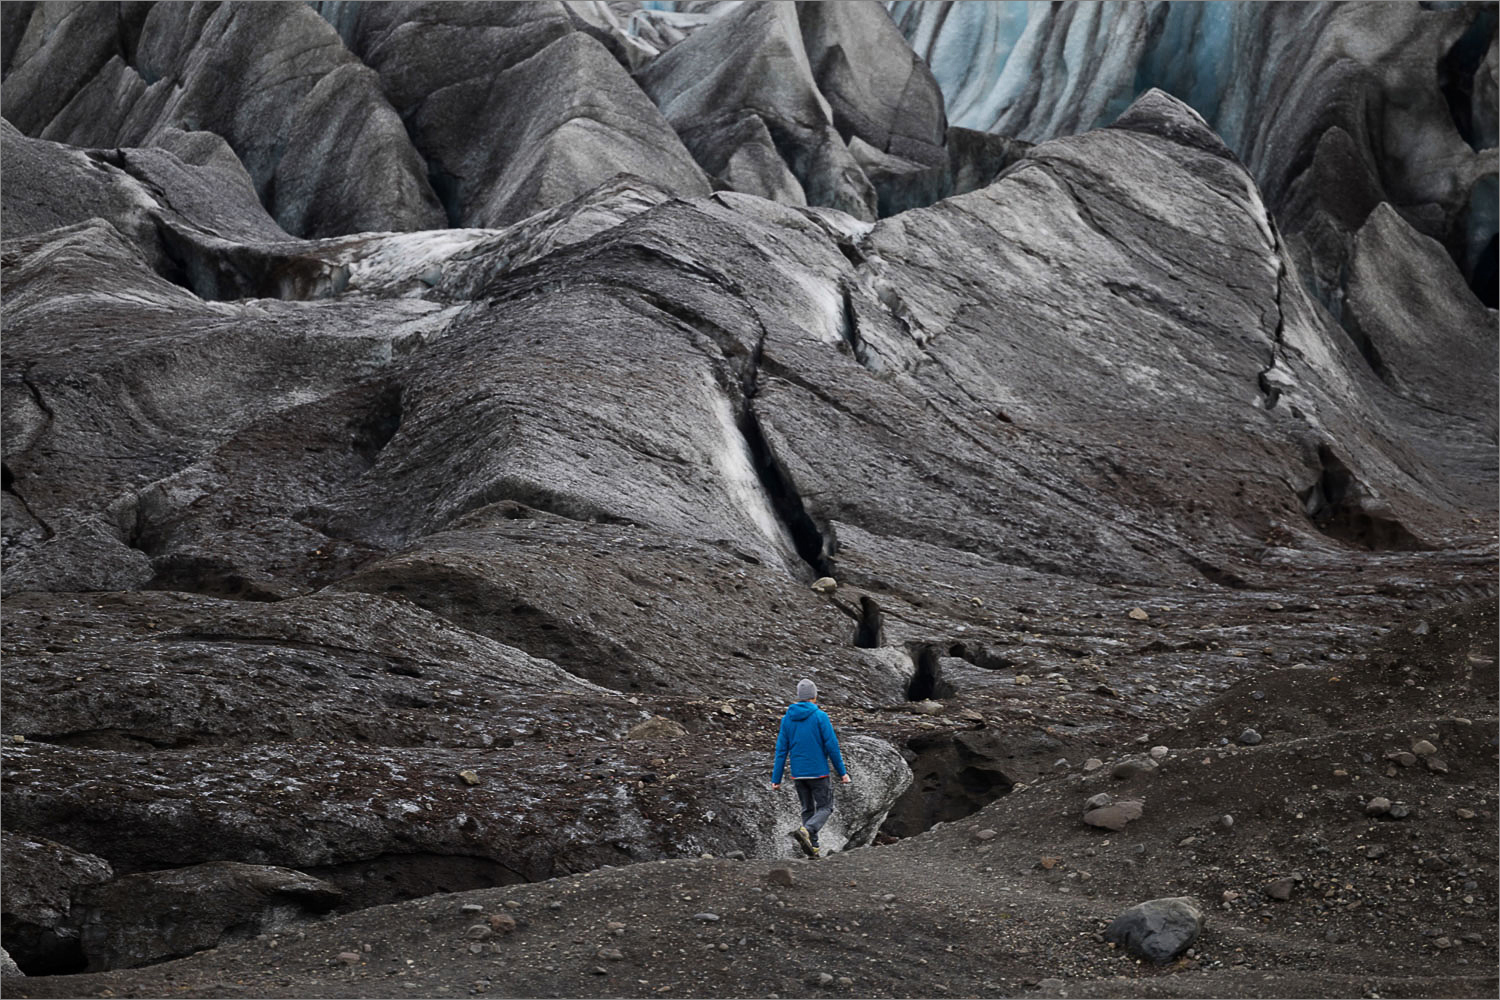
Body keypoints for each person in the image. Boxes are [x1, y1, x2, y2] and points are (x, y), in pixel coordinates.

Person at [770, 678, 851, 858]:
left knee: (807, 809)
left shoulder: (787, 719)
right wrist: (842, 773)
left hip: (798, 774)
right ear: (814, 696)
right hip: (818, 772)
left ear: (799, 696)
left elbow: (781, 750)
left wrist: (776, 778)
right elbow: (832, 746)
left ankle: (813, 848)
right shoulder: (820, 716)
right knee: (826, 807)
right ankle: (808, 830)